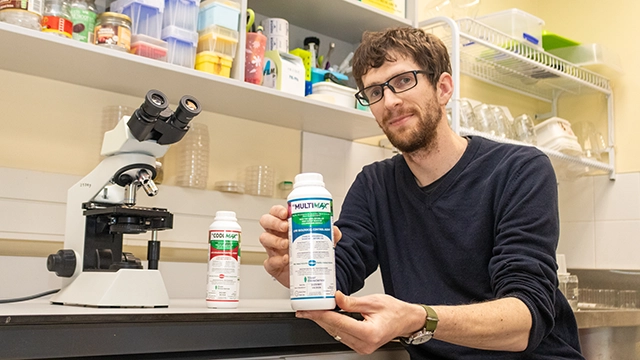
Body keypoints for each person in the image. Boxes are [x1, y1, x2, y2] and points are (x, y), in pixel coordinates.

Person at [259, 27, 584, 359]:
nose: (390, 101)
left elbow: (525, 319)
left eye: (403, 81)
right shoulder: (375, 185)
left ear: (443, 88)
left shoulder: (519, 170)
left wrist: (419, 318)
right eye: (374, 91)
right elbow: (338, 274)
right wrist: (296, 268)